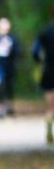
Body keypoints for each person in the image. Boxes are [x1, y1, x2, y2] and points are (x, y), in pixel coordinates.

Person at [0, 17, 20, 118]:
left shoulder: (13, 39)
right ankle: (1, 108)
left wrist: (11, 49)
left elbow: (19, 52)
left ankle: (9, 106)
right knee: (0, 86)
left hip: (10, 66)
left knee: (9, 86)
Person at [32, 11, 54, 145]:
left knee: (51, 105)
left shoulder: (44, 33)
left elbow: (35, 52)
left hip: (49, 70)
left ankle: (49, 128)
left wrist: (41, 60)